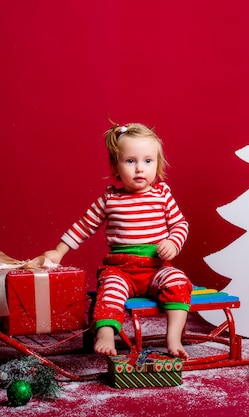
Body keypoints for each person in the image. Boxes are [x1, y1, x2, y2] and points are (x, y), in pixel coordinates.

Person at [42, 122, 192, 359]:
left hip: (156, 268)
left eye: (147, 161)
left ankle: (173, 336)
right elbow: (84, 225)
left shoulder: (162, 195)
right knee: (110, 290)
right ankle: (106, 333)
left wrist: (173, 242)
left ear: (158, 164)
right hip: (121, 269)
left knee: (178, 281)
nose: (139, 169)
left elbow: (180, 224)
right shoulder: (110, 199)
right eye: (130, 161)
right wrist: (59, 251)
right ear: (116, 166)